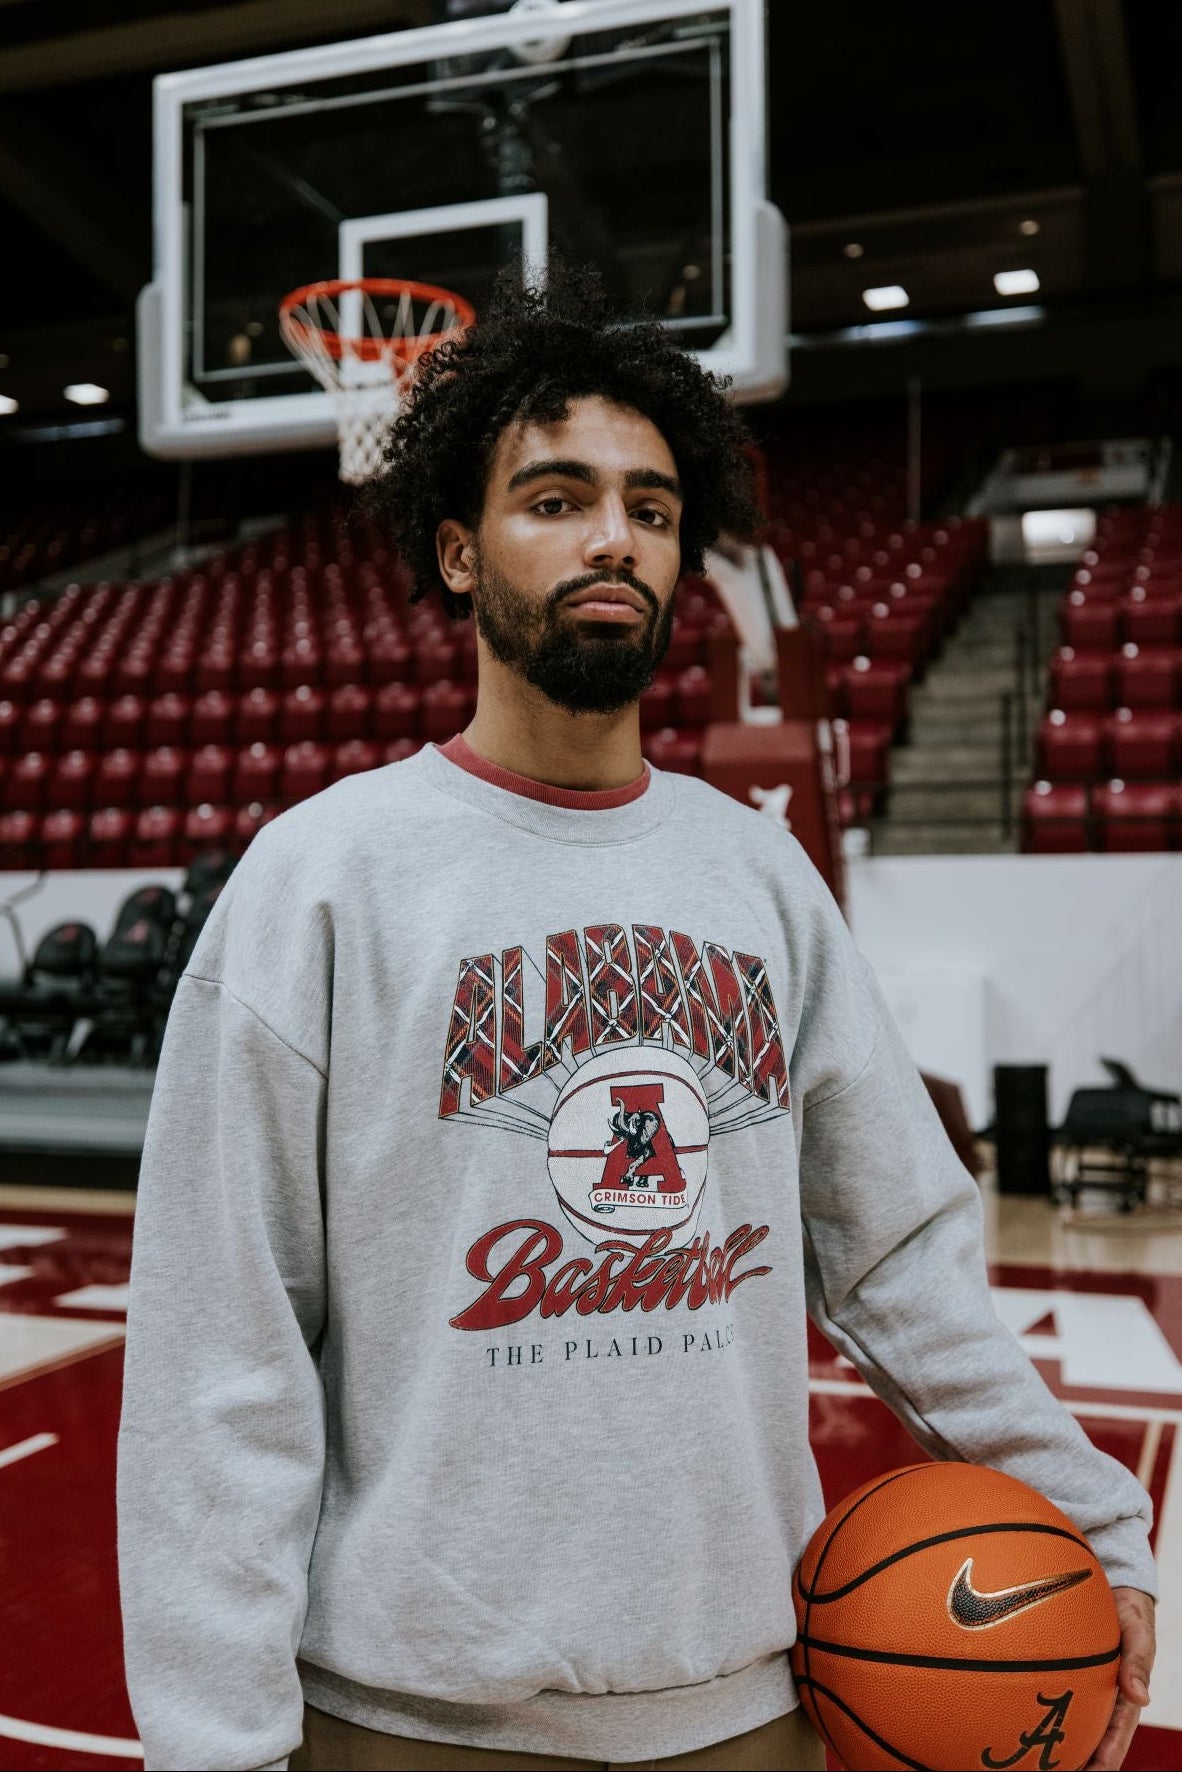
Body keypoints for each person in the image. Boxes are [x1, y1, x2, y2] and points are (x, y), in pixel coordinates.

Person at [117, 267, 1156, 1772]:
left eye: (651, 508)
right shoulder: (322, 879)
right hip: (405, 1721)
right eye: (555, 497)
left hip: (747, 1707)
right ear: (459, 551)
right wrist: (216, 1746)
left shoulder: (759, 877)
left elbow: (903, 1265)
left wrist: (1098, 1525)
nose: (612, 535)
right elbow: (224, 1354)